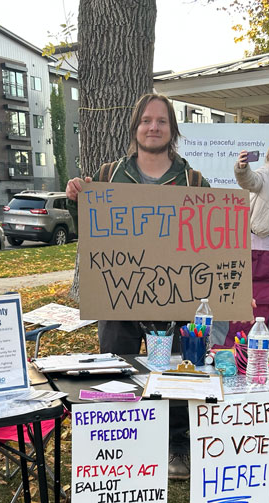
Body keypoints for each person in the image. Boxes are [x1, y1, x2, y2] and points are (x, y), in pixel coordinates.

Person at [65, 93, 208, 481]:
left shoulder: (194, 181)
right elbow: (90, 233)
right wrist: (78, 200)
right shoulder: (108, 175)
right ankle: (122, 444)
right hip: (119, 296)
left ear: (172, 130)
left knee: (180, 372)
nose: (153, 127)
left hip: (177, 298)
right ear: (135, 127)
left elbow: (212, 241)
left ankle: (176, 442)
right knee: (117, 371)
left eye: (161, 121)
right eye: (146, 120)